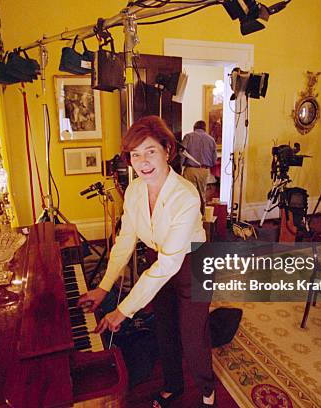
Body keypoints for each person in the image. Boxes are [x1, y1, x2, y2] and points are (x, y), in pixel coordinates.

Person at [77, 116, 215, 407]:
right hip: (158, 259)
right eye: (135, 154)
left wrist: (123, 310)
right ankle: (173, 384)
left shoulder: (186, 197)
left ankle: (207, 390)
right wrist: (103, 288)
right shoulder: (135, 191)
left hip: (192, 265)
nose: (142, 161)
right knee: (164, 328)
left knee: (192, 338)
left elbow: (169, 265)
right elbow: (125, 240)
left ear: (167, 150)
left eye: (150, 151)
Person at [181, 120, 217, 214]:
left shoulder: (188, 136)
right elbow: (214, 160)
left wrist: (180, 168)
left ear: (194, 127)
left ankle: (190, 216)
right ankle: (202, 217)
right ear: (205, 128)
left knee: (189, 193)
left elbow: (182, 153)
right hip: (204, 170)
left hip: (190, 170)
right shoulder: (211, 140)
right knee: (202, 195)